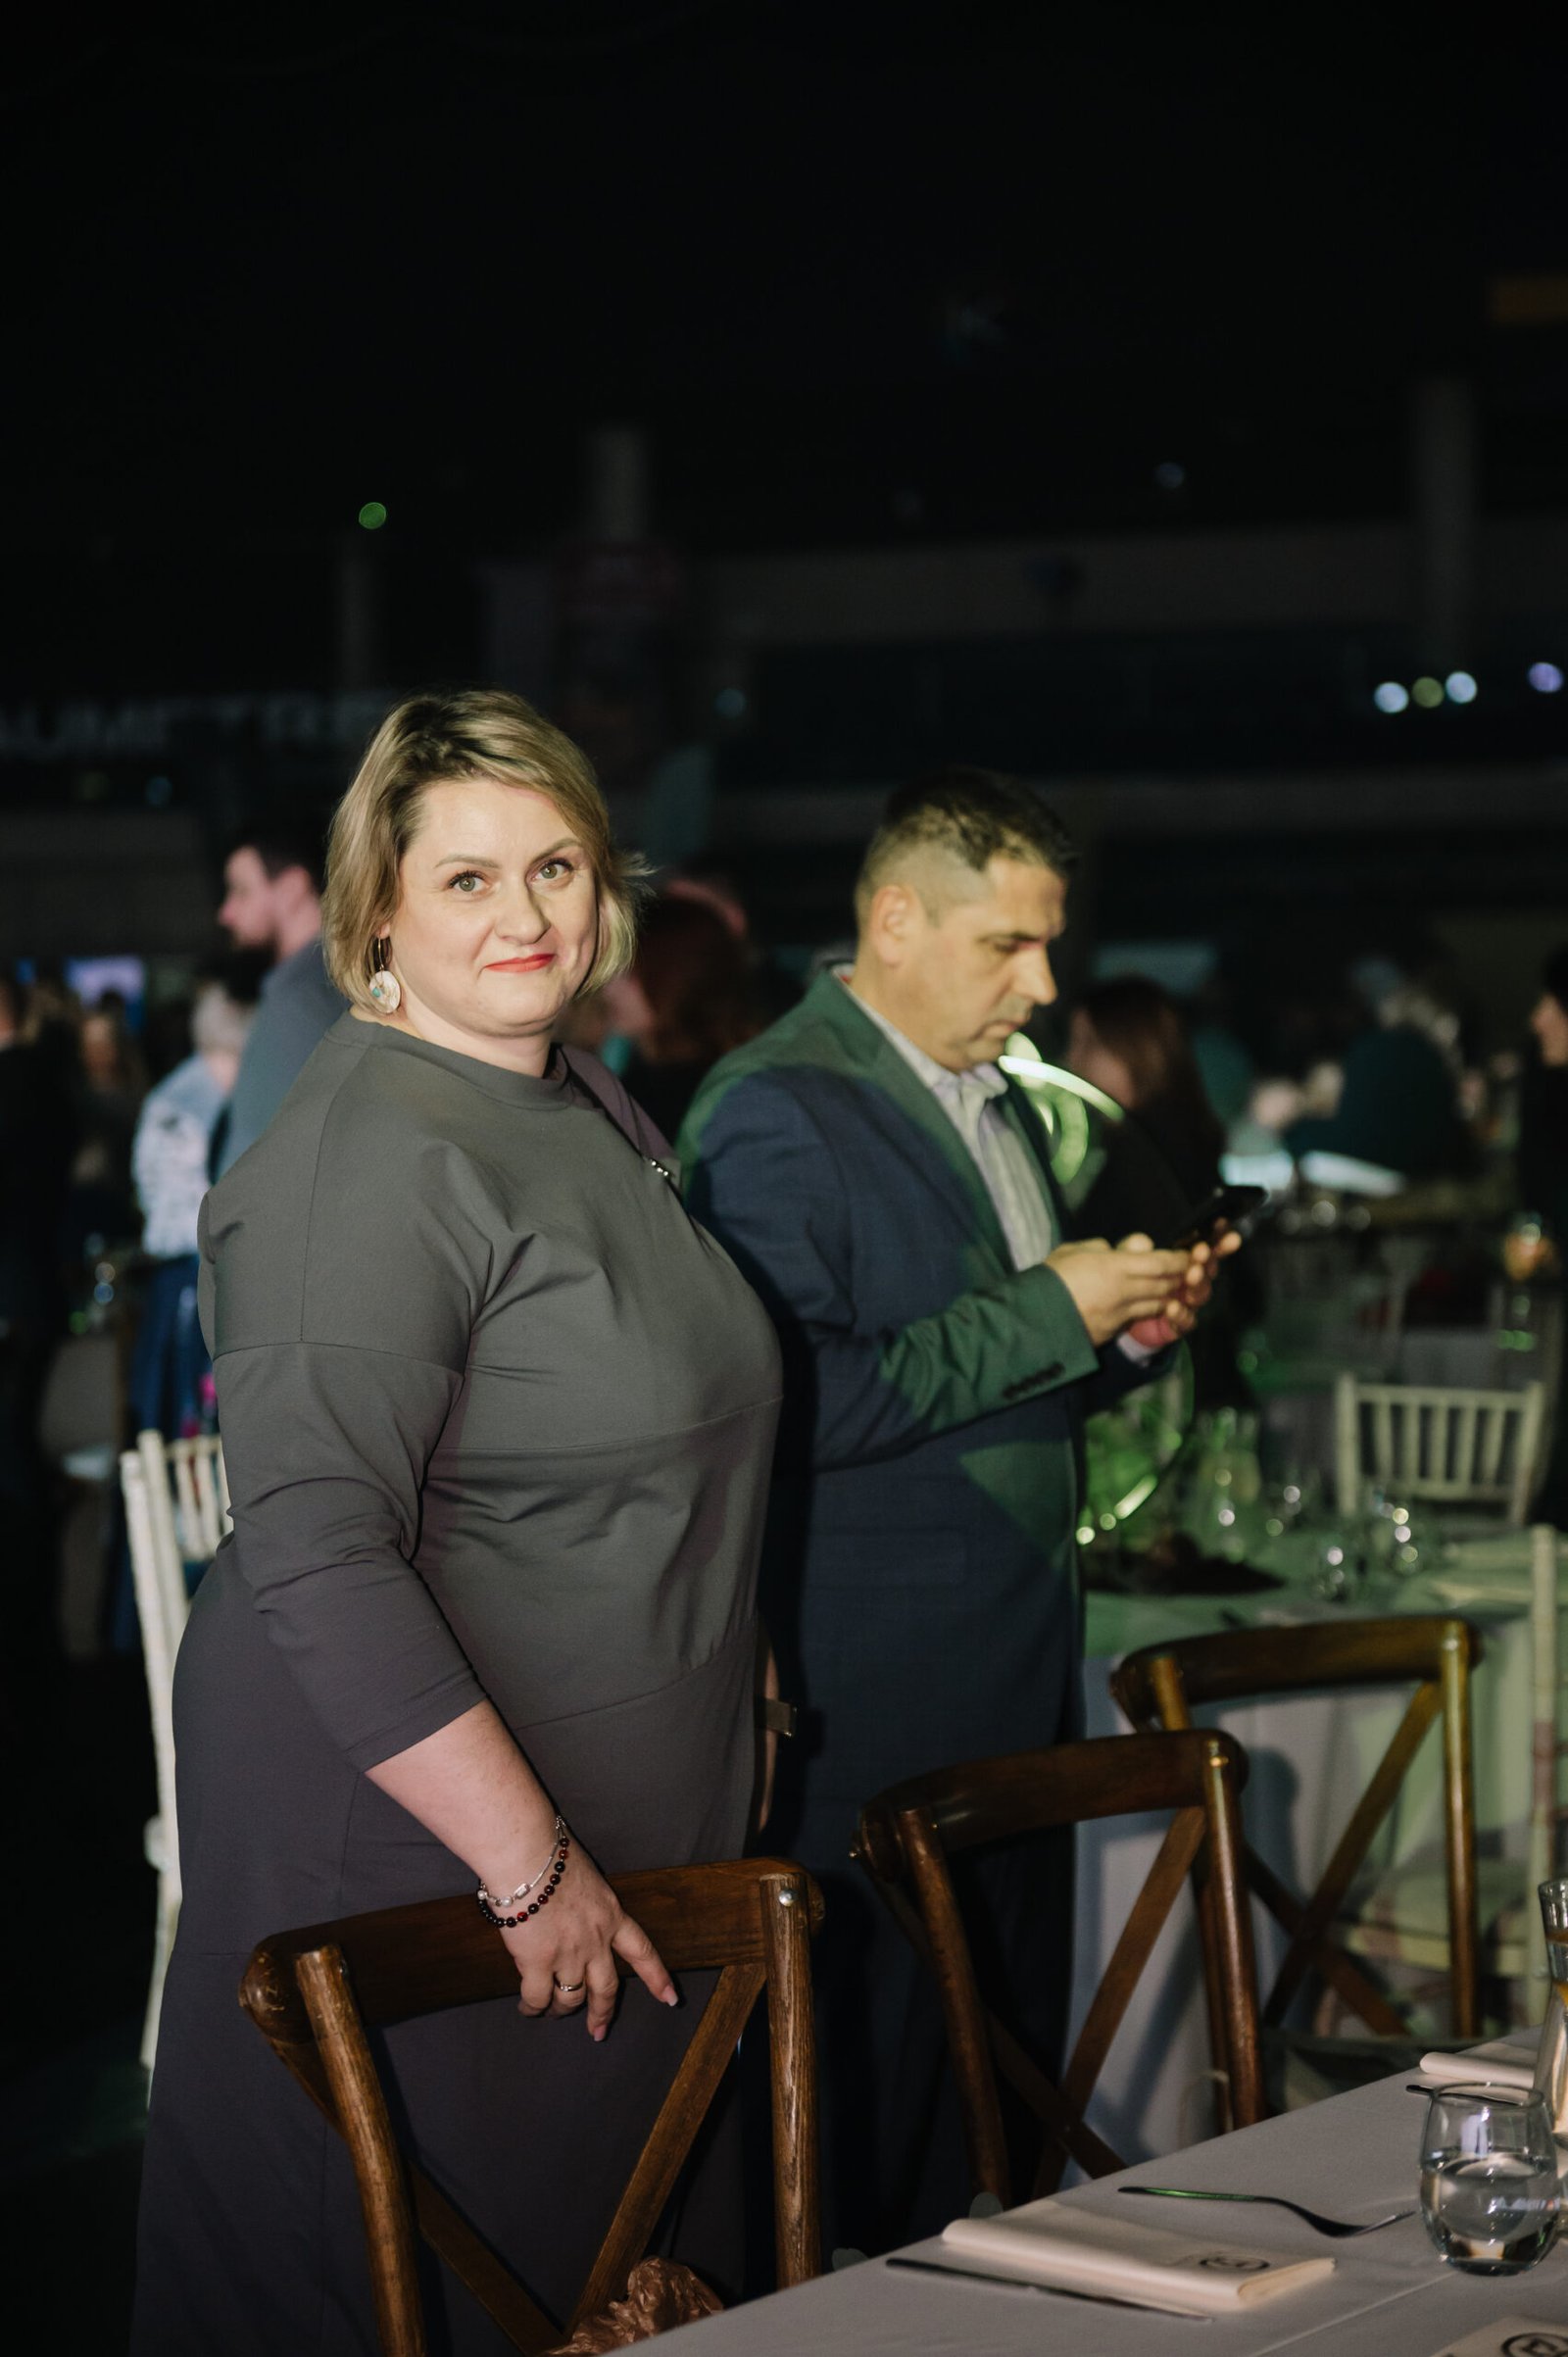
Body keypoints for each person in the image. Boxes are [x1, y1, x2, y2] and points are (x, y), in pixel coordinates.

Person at [132, 690, 783, 2353]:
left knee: (605, 2280)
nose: (525, 914)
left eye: (554, 865)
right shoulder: (363, 1154)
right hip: (426, 1856)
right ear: (376, 916)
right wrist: (526, 1864)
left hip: (609, 1835)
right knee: (429, 2289)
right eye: (468, 879)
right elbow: (320, 1550)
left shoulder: (579, 1099)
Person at [678, 765, 1221, 2253]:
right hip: (878, 1698)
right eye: (1007, 945)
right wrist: (1054, 1310)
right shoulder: (778, 1104)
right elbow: (792, 1401)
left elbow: (981, 1390)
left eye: (1047, 945)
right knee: (872, 2152)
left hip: (1010, 1674)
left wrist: (1114, 1339)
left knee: (995, 2128)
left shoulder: (999, 1100)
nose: (1040, 985)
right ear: (896, 921)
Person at [212, 817, 345, 1174]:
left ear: (291, 889)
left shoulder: (300, 1003)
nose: (226, 913)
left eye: (241, 891)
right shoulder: (332, 988)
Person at [599, 891, 766, 1138]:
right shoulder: (744, 1075)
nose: (609, 987)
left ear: (672, 981)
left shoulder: (667, 1098)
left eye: (628, 973)